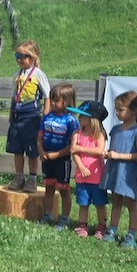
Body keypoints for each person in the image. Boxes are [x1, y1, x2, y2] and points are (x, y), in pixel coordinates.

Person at [100, 90, 137, 247]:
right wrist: (108, 154)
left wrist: (118, 155)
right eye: (116, 109)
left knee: (131, 203)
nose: (117, 113)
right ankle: (113, 229)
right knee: (116, 200)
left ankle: (132, 234)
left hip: (128, 172)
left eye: (121, 109)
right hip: (114, 169)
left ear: (134, 111)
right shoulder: (116, 129)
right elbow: (114, 147)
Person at [6, 40, 50, 193]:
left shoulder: (38, 74)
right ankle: (19, 177)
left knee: (32, 149)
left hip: (32, 116)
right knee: (17, 148)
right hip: (17, 114)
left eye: (22, 56)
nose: (19, 59)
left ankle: (32, 178)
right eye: (17, 56)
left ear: (32, 57)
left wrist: (45, 116)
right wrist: (11, 114)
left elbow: (47, 96)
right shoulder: (17, 74)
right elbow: (14, 96)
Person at [37, 82, 79, 230]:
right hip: (47, 159)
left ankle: (65, 218)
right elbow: (39, 138)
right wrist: (41, 152)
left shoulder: (71, 120)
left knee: (64, 189)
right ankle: (48, 214)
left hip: (62, 160)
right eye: (51, 100)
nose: (52, 103)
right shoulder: (46, 118)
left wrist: (56, 154)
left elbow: (73, 146)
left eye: (56, 100)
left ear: (66, 102)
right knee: (49, 187)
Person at [69, 100, 109, 238]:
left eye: (83, 116)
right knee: (83, 203)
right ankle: (82, 225)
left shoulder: (100, 134)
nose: (79, 118)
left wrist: (80, 148)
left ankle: (102, 226)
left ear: (93, 119)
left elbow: (99, 151)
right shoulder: (77, 133)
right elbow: (74, 152)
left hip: (97, 177)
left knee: (100, 203)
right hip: (82, 176)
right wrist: (81, 166)